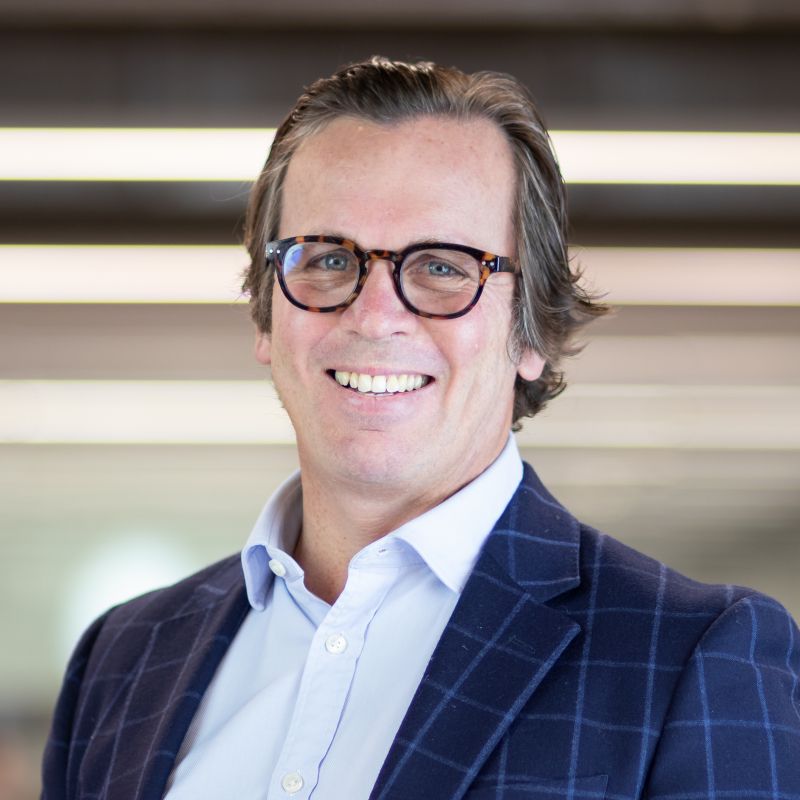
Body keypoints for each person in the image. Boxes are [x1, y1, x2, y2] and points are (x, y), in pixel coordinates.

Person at [42, 57, 799, 800]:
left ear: (532, 331)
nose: (375, 316)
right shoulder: (122, 659)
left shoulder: (691, 656)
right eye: (327, 258)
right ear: (266, 318)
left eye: (442, 266)